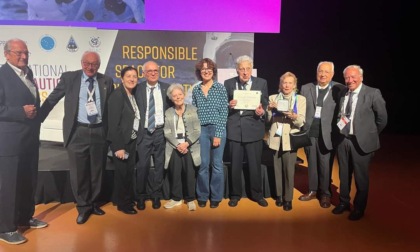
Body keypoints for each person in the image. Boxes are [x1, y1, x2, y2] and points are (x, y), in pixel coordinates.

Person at [39, 51, 114, 224]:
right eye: (87, 63)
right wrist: (38, 119)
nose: (90, 67)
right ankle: (83, 206)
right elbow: (52, 99)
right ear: (81, 63)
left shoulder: (106, 81)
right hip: (77, 132)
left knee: (97, 172)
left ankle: (93, 202)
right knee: (79, 173)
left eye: (94, 64)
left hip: (99, 132)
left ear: (99, 65)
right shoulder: (69, 78)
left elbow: (111, 108)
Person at [0, 38, 48, 245]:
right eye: (19, 53)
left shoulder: (28, 73)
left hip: (29, 140)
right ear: (7, 54)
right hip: (9, 141)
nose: (24, 56)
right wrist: (20, 112)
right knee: (9, 185)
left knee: (27, 181)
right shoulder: (1, 75)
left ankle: (24, 217)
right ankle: (6, 229)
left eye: (26, 53)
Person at [332, 65, 387, 221]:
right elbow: (341, 114)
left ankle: (359, 208)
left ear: (361, 77)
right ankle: (343, 202)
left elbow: (382, 118)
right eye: (347, 78)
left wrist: (370, 134)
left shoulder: (372, 93)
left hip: (361, 142)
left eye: (353, 77)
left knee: (361, 178)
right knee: (343, 174)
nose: (350, 80)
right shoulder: (343, 93)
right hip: (343, 140)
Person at [298, 61, 345, 208]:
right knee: (311, 163)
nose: (323, 74)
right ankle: (312, 191)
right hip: (310, 133)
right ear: (316, 72)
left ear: (332, 74)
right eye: (320, 71)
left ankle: (325, 193)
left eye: (326, 72)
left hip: (328, 135)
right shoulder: (306, 88)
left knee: (325, 165)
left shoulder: (339, 89)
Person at [224, 55, 269, 207]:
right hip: (235, 129)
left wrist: (261, 112)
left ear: (252, 69)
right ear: (237, 70)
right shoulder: (229, 83)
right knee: (235, 165)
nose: (245, 72)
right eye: (242, 69)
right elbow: (224, 105)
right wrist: (229, 105)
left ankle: (257, 194)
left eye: (248, 68)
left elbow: (265, 104)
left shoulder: (261, 83)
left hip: (254, 129)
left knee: (255, 165)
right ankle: (235, 195)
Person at [134, 60, 172, 210]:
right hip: (144, 133)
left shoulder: (166, 88)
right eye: (149, 71)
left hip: (160, 133)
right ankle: (141, 196)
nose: (153, 73)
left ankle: (156, 195)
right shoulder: (137, 89)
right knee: (142, 166)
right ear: (144, 74)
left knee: (159, 166)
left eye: (155, 70)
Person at [266, 72, 306, 211]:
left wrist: (292, 114)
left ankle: (288, 198)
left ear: (294, 85)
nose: (287, 85)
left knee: (289, 170)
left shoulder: (300, 99)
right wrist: (270, 110)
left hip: (290, 139)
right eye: (284, 82)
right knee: (277, 169)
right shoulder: (272, 98)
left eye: (290, 83)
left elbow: (301, 122)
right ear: (280, 85)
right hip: (276, 138)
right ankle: (279, 196)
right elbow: (268, 120)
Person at [192, 58, 228, 208]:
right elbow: (194, 111)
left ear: (213, 71)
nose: (206, 71)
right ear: (199, 72)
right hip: (202, 130)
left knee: (217, 165)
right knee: (203, 165)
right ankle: (202, 195)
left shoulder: (220, 88)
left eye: (209, 69)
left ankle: (216, 197)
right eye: (203, 69)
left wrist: (218, 134)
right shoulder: (196, 89)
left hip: (217, 128)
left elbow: (224, 112)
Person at [107, 66, 139, 215]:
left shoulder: (131, 95)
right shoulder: (117, 96)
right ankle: (123, 204)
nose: (132, 79)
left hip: (131, 140)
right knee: (122, 173)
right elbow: (113, 124)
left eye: (134, 76)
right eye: (128, 76)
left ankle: (122, 198)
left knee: (127, 172)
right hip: (122, 143)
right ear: (122, 79)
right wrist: (118, 147)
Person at [163, 84, 201, 211]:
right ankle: (176, 198)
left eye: (180, 94)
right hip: (174, 147)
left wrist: (186, 143)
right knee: (175, 173)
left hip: (189, 146)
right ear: (171, 98)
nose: (178, 97)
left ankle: (190, 199)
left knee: (190, 173)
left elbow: (197, 130)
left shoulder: (193, 109)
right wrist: (178, 145)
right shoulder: (168, 112)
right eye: (174, 96)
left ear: (184, 95)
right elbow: (167, 132)